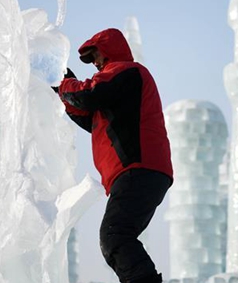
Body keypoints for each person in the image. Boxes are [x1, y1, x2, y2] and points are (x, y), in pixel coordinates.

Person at [57, 28, 173, 283]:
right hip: (139, 171)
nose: (95, 63)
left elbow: (88, 96)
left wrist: (64, 83)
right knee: (117, 235)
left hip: (138, 168)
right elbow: (91, 119)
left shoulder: (127, 71)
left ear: (109, 49)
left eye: (95, 55)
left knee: (115, 235)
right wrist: (63, 94)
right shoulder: (115, 86)